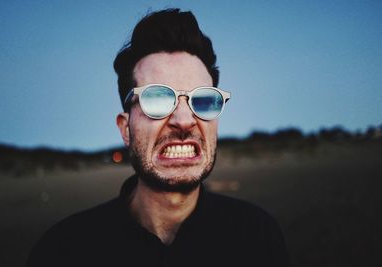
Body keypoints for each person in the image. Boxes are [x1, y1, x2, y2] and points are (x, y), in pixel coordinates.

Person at [27, 8, 289, 267]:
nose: (185, 121)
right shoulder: (64, 251)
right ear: (125, 128)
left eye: (203, 100)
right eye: (158, 99)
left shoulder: (257, 236)